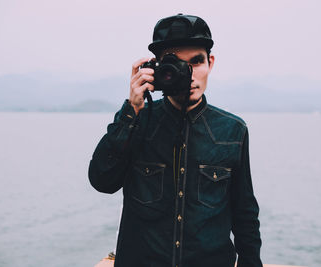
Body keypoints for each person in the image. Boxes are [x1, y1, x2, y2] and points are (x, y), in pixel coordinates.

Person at [89, 14, 263, 267]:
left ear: (210, 62)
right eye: (176, 64)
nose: (189, 74)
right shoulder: (138, 120)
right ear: (157, 69)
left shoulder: (232, 130)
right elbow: (102, 181)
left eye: (196, 61)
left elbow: (245, 214)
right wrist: (131, 111)